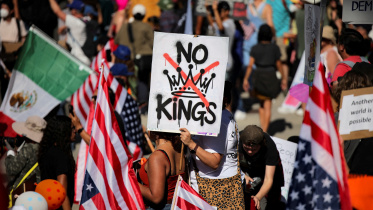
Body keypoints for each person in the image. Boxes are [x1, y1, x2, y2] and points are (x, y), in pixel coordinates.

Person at [179, 81, 245, 209]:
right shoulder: (224, 114)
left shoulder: (218, 121)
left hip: (218, 189)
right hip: (222, 185)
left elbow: (214, 162)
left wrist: (191, 144)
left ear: (223, 98)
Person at [243, 24, 286, 132]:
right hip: (270, 76)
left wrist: (245, 79)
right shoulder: (274, 48)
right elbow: (279, 64)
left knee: (261, 104)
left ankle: (263, 129)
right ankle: (265, 131)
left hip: (258, 77)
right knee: (267, 104)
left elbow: (250, 65)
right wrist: (284, 78)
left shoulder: (255, 48)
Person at [239, 125, 284, 210]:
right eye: (246, 148)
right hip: (245, 170)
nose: (249, 152)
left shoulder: (269, 146)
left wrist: (258, 197)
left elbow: (269, 179)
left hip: (266, 174)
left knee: (269, 204)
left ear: (261, 144)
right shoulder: (236, 141)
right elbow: (228, 164)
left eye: (254, 149)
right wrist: (242, 174)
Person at [137, 131, 186, 209]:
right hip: (176, 205)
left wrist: (131, 180)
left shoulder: (158, 156)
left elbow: (156, 198)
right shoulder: (179, 150)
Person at [38, 116, 76, 210]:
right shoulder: (61, 156)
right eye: (72, 128)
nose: (75, 131)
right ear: (63, 131)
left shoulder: (47, 151)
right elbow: (62, 192)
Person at [114, 4, 153, 86]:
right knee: (143, 82)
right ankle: (143, 98)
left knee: (127, 82)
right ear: (144, 15)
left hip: (126, 60)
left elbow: (116, 40)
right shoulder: (147, 27)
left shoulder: (124, 26)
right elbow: (153, 43)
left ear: (133, 14)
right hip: (143, 59)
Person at [5, 116, 46, 192]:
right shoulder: (44, 147)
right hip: (36, 189)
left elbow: (12, 170)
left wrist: (10, 152)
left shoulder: (30, 147)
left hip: (23, 191)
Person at [48, 0, 90, 64]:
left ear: (74, 11)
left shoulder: (76, 22)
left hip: (78, 60)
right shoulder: (86, 20)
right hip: (83, 59)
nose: (69, 11)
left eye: (70, 9)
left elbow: (57, 11)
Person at [205, 1, 235, 79]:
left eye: (220, 11)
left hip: (226, 62)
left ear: (227, 12)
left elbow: (221, 28)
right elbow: (212, 23)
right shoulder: (219, 23)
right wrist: (207, 9)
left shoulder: (230, 23)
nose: (218, 13)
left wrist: (214, 10)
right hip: (218, 61)